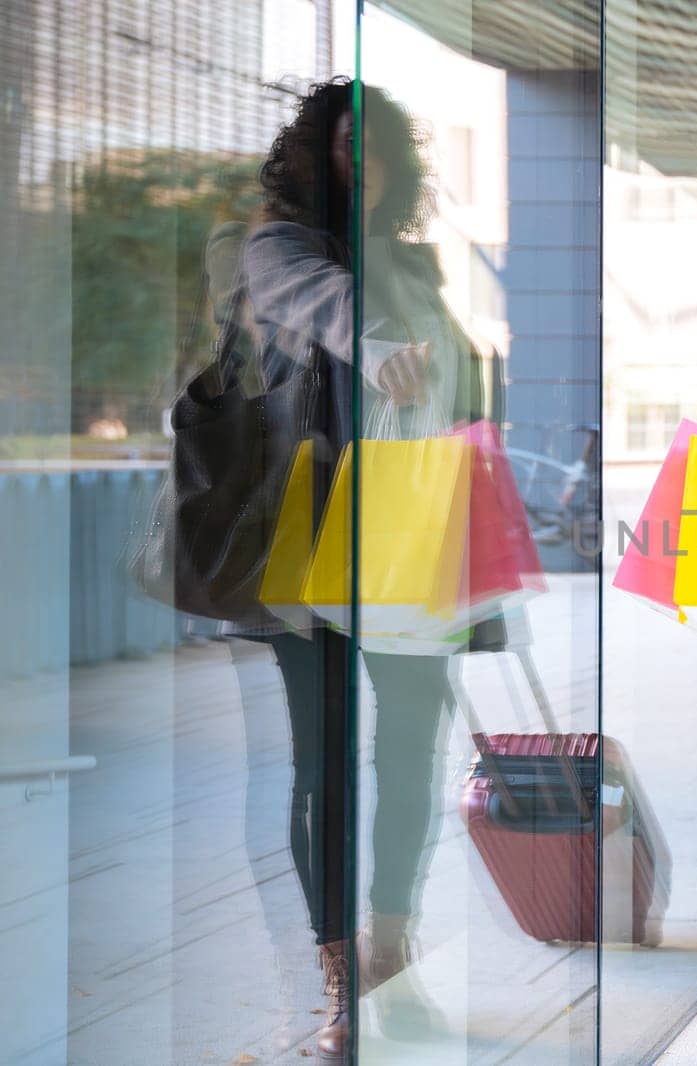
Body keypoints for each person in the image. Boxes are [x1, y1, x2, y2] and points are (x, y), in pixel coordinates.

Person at [223, 77, 502, 1062]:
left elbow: (465, 376)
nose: (360, 164)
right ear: (310, 155)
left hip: (411, 534)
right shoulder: (278, 248)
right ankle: (340, 978)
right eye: (344, 145)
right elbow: (324, 308)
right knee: (320, 765)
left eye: (377, 149)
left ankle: (393, 951)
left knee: (411, 755)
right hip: (308, 544)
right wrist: (387, 339)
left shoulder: (415, 265)